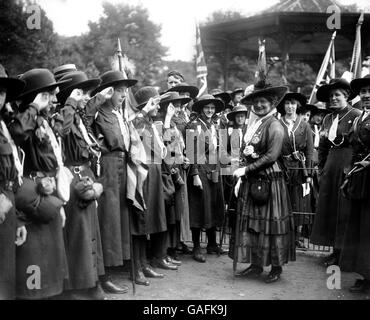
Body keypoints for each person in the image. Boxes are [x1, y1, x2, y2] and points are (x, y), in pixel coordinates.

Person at [9, 68, 70, 299]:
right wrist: (34, 106)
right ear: (38, 96)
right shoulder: (23, 119)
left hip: (49, 193)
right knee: (34, 257)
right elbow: (18, 133)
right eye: (49, 95)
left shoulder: (44, 120)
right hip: (31, 195)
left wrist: (60, 201)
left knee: (50, 257)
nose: (54, 99)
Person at [231, 84, 295, 283]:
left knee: (271, 225)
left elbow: (271, 156)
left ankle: (276, 268)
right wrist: (243, 173)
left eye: (263, 102)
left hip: (270, 182)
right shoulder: (256, 124)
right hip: (254, 180)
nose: (259, 105)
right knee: (254, 225)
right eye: (256, 102)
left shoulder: (274, 125)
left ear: (272, 104)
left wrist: (246, 170)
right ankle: (256, 265)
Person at [56, 70, 107, 299]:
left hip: (85, 174)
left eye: (86, 93)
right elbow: (63, 130)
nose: (86, 97)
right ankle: (75, 286)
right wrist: (71, 102)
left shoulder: (79, 117)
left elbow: (88, 111)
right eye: (81, 92)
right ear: (70, 96)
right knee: (77, 235)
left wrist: (98, 98)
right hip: (71, 177)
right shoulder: (63, 115)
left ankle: (91, 281)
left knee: (90, 233)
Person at [87, 70, 138, 293]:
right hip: (106, 165)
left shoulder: (120, 114)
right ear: (108, 92)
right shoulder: (98, 112)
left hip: (123, 165)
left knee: (120, 217)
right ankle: (104, 273)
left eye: (125, 91)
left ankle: (119, 264)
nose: (123, 95)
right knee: (107, 219)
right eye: (118, 90)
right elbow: (85, 122)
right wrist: (99, 98)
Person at [310, 78, 361, 266]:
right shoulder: (328, 118)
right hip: (331, 166)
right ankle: (334, 251)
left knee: (345, 210)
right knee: (330, 208)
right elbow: (323, 146)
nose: (333, 98)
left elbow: (360, 145)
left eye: (337, 95)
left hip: (348, 164)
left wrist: (353, 168)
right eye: (331, 96)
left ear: (346, 96)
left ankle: (344, 255)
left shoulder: (356, 115)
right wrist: (322, 168)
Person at [131, 86, 178, 286]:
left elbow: (164, 149)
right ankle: (137, 267)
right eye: (155, 103)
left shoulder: (151, 124)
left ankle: (145, 263)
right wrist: (142, 111)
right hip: (143, 173)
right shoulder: (139, 121)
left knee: (150, 220)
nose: (158, 106)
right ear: (146, 105)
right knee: (140, 222)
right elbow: (133, 132)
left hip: (155, 172)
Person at [339, 74, 370, 293]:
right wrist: (349, 169)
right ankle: (364, 273)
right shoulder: (361, 117)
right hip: (360, 178)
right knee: (360, 225)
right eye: (364, 92)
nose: (367, 95)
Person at [185, 94, 225, 263]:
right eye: (207, 107)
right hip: (200, 167)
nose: (210, 110)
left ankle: (212, 243)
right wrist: (194, 174)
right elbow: (190, 151)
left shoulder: (216, 124)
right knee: (199, 205)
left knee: (214, 204)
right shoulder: (193, 125)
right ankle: (196, 246)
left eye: (212, 108)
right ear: (201, 108)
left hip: (214, 167)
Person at [0, 64, 27, 300]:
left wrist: (18, 220)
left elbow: (13, 175)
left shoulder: (3, 127)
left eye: (1, 93)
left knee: (6, 273)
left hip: (7, 204)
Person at [157, 92, 192, 263]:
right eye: (173, 105)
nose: (177, 108)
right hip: (166, 170)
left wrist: (183, 158)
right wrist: (167, 117)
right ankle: (164, 252)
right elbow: (163, 146)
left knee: (177, 211)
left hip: (177, 168)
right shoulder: (159, 122)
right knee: (168, 212)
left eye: (178, 105)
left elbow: (177, 148)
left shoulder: (174, 124)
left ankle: (172, 248)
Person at [277, 92, 314, 248]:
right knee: (281, 200)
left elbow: (309, 150)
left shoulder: (304, 125)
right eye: (287, 103)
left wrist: (309, 173)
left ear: (297, 106)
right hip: (282, 167)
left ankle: (296, 237)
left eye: (293, 103)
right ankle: (282, 235)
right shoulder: (277, 123)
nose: (290, 106)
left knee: (299, 202)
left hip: (300, 168)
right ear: (283, 106)